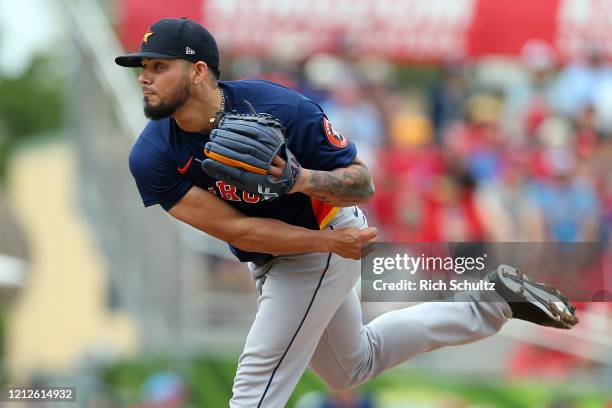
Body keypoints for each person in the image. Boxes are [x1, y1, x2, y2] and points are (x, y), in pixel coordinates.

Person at [116, 18, 577, 408]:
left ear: (198, 71)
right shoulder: (152, 156)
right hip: (303, 247)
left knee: (254, 389)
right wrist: (325, 244)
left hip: (324, 231)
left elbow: (362, 183)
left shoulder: (278, 107)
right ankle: (493, 300)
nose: (145, 76)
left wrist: (298, 181)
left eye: (159, 65)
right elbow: (237, 227)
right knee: (352, 367)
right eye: (143, 67)